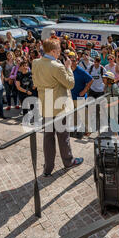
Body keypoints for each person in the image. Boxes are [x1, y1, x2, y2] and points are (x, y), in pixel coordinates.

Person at [32, 38, 84, 177]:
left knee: (48, 137)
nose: (60, 53)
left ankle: (48, 168)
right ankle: (68, 161)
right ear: (54, 51)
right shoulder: (57, 66)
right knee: (63, 136)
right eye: (59, 51)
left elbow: (35, 82)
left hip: (45, 103)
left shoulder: (35, 62)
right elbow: (70, 84)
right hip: (59, 106)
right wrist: (68, 68)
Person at [69, 52, 93, 135]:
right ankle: (74, 129)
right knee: (73, 114)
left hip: (80, 97)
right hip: (71, 96)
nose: (72, 62)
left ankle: (88, 130)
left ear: (77, 61)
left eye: (74, 61)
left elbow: (91, 80)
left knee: (84, 115)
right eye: (71, 60)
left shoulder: (80, 70)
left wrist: (85, 90)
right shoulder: (68, 70)